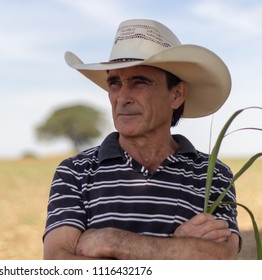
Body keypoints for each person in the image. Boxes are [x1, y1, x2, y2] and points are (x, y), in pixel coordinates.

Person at [43, 19, 241, 259]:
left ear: (176, 94)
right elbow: (58, 263)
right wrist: (178, 247)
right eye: (114, 83)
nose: (122, 97)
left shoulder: (212, 173)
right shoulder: (75, 172)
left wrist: (111, 240)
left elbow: (221, 257)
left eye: (139, 82)